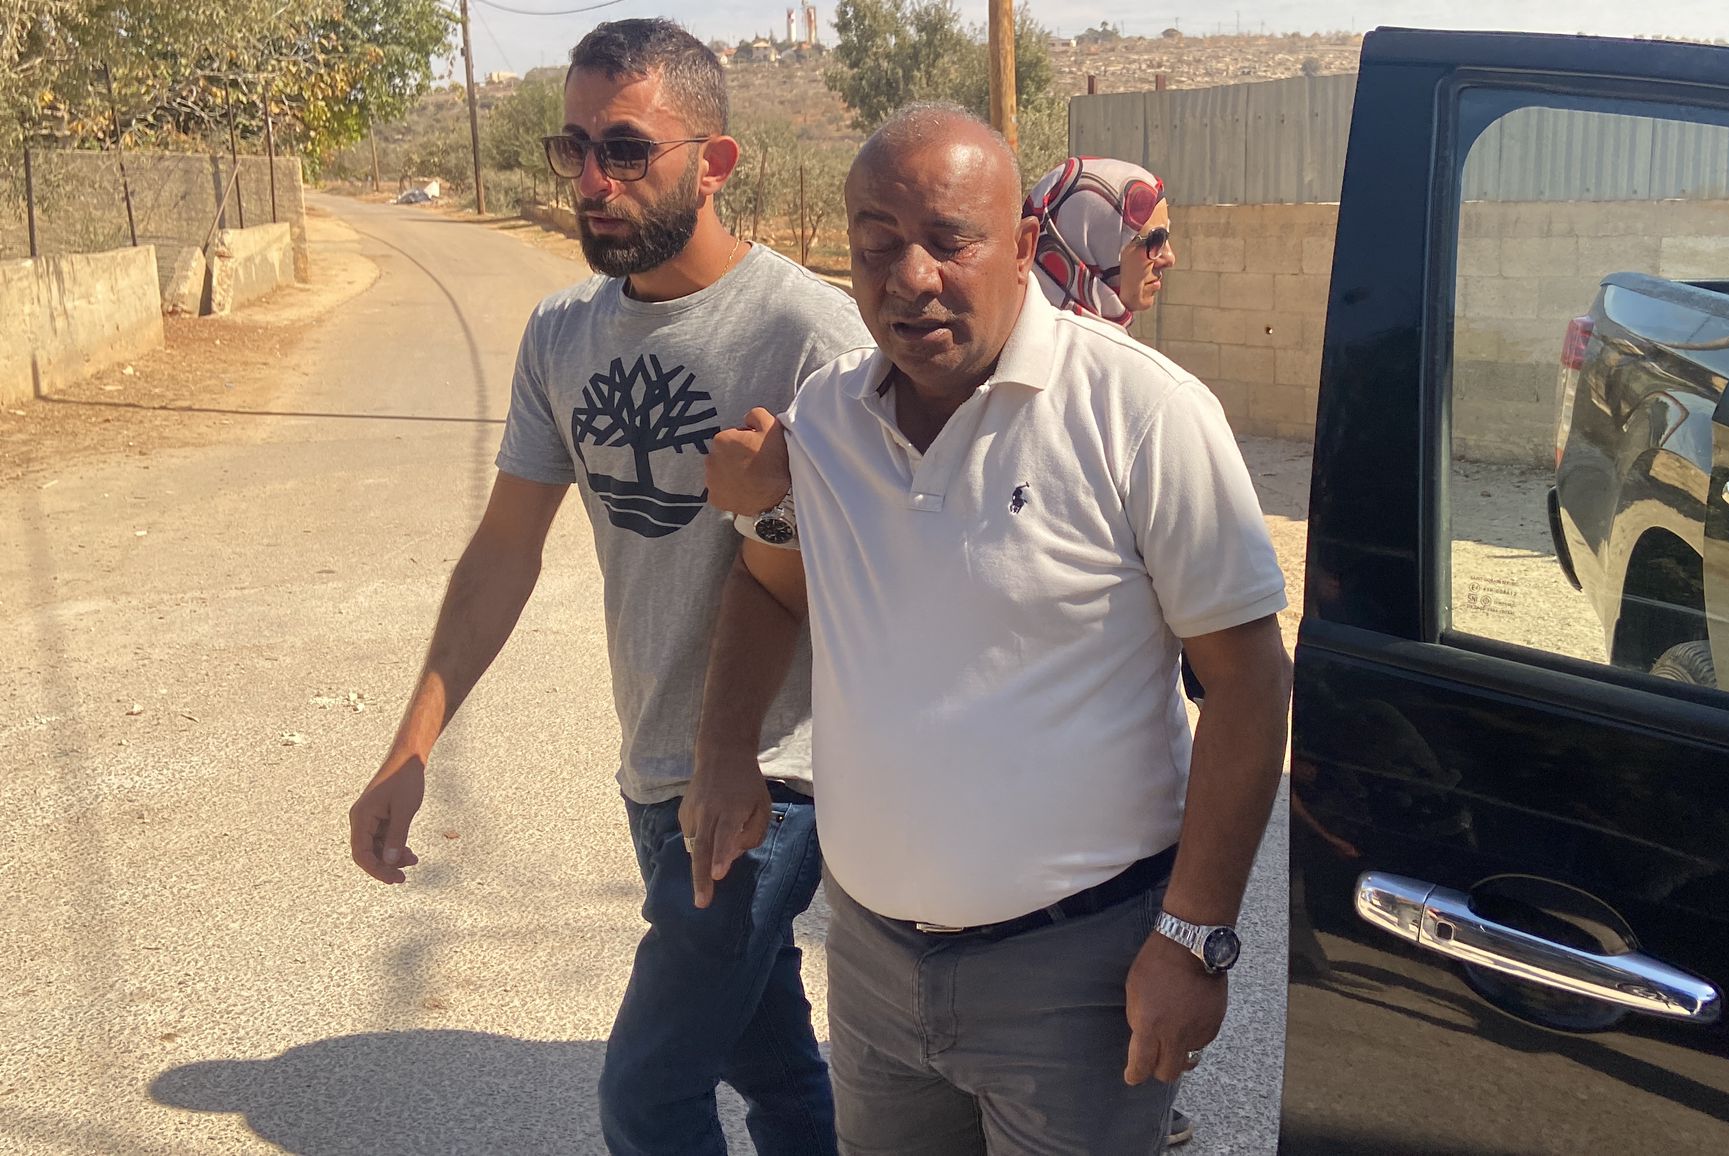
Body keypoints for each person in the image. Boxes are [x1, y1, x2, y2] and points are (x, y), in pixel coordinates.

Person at [687, 103, 1292, 1155]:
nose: (909, 276)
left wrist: (1193, 937)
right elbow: (771, 586)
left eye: (948, 240)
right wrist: (723, 750)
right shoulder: (825, 419)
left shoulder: (1141, 414)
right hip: (873, 964)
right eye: (877, 243)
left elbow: (1248, 685)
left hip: (1079, 973)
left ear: (1021, 245)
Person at [343, 18, 870, 1156]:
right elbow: (504, 549)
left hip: (776, 776)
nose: (591, 180)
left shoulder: (810, 334)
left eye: (626, 148)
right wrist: (411, 745)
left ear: (714, 163)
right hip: (654, 766)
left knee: (646, 1094)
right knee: (772, 1061)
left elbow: (876, 569)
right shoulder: (561, 334)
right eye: (572, 148)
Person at [1025, 155, 1203, 1149]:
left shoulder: (1142, 388)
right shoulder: (1009, 383)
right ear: (1083, 240)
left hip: (1126, 783)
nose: (1168, 256)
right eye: (1151, 237)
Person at [1023, 156, 1177, 327]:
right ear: (1092, 244)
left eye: (1166, 237)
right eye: (1155, 239)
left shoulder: (1020, 325)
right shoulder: (1081, 342)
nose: (1169, 258)